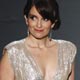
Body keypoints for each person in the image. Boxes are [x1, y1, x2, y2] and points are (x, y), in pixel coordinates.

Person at [0, 0, 77, 80]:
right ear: (26, 19)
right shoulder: (13, 53)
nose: (39, 25)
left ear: (53, 22)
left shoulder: (67, 51)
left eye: (45, 19)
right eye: (33, 18)